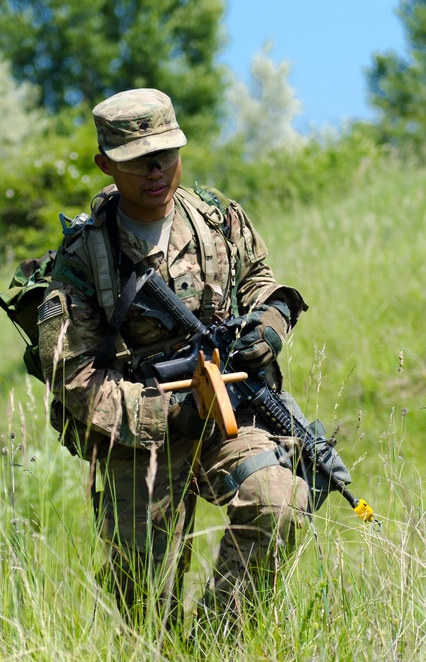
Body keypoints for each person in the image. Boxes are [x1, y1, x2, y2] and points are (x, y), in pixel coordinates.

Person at [37, 88, 311, 632]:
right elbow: (75, 379)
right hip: (136, 439)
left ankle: (216, 639)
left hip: (228, 414)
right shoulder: (81, 262)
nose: (156, 168)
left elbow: (258, 280)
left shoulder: (216, 216)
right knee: (144, 606)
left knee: (278, 501)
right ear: (106, 165)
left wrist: (273, 321)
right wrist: (177, 413)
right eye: (138, 159)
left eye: (166, 152)